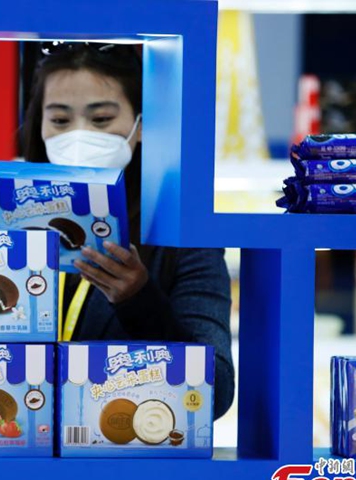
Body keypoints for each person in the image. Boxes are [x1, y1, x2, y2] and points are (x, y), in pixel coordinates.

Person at [20, 42, 235, 419]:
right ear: (40, 126)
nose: (79, 136)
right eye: (60, 120)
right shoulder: (4, 228)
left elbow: (214, 391)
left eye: (102, 118)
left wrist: (139, 300)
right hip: (17, 443)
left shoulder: (182, 236)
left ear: (141, 125)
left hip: (124, 444)